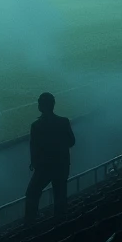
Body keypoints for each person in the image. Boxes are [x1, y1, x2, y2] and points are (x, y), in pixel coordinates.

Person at [25, 93, 75, 225]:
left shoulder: (36, 126)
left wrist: (35, 163)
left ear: (41, 106)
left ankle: (30, 223)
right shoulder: (64, 121)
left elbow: (34, 148)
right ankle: (60, 223)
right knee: (60, 195)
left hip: (44, 167)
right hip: (62, 166)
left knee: (32, 193)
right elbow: (71, 142)